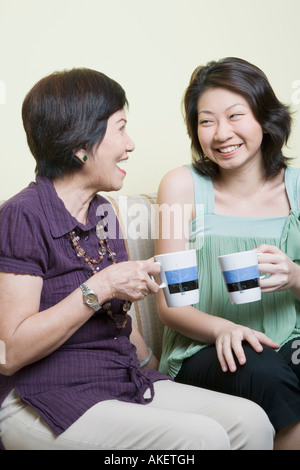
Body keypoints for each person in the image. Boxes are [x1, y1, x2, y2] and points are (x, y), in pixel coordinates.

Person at [0, 67, 274, 450]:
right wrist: (101, 285)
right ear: (82, 141)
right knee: (202, 438)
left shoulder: (104, 212)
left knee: (251, 422)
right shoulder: (23, 214)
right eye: (120, 128)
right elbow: (9, 353)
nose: (130, 144)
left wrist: (158, 367)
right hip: (42, 398)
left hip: (121, 380)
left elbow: (122, 322)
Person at [156, 57, 300, 450]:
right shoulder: (182, 187)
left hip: (291, 338)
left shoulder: (298, 187)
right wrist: (224, 328)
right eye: (206, 121)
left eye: (235, 115)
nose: (221, 134)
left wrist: (294, 277)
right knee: (268, 374)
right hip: (206, 346)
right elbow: (172, 306)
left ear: (265, 118)